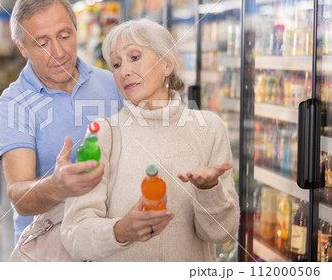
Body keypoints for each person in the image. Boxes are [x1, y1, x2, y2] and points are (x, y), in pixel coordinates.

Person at [60, 18, 240, 261]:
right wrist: (120, 231)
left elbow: (221, 233)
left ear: (167, 64)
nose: (124, 71)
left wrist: (209, 190)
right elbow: (74, 235)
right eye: (115, 64)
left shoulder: (208, 129)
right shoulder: (104, 134)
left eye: (135, 57)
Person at [0, 0, 123, 244]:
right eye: (42, 43)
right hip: (49, 250)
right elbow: (18, 194)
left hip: (113, 241)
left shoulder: (114, 83)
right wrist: (57, 186)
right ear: (22, 48)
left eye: (65, 36)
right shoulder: (14, 104)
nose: (59, 52)